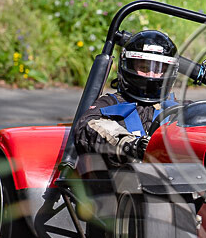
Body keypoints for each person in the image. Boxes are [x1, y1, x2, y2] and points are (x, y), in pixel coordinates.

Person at [75, 30, 179, 164]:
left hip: (176, 179)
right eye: (144, 67)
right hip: (122, 179)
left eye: (159, 70)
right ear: (128, 66)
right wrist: (131, 146)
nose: (151, 75)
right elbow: (88, 128)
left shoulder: (182, 109)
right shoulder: (109, 104)